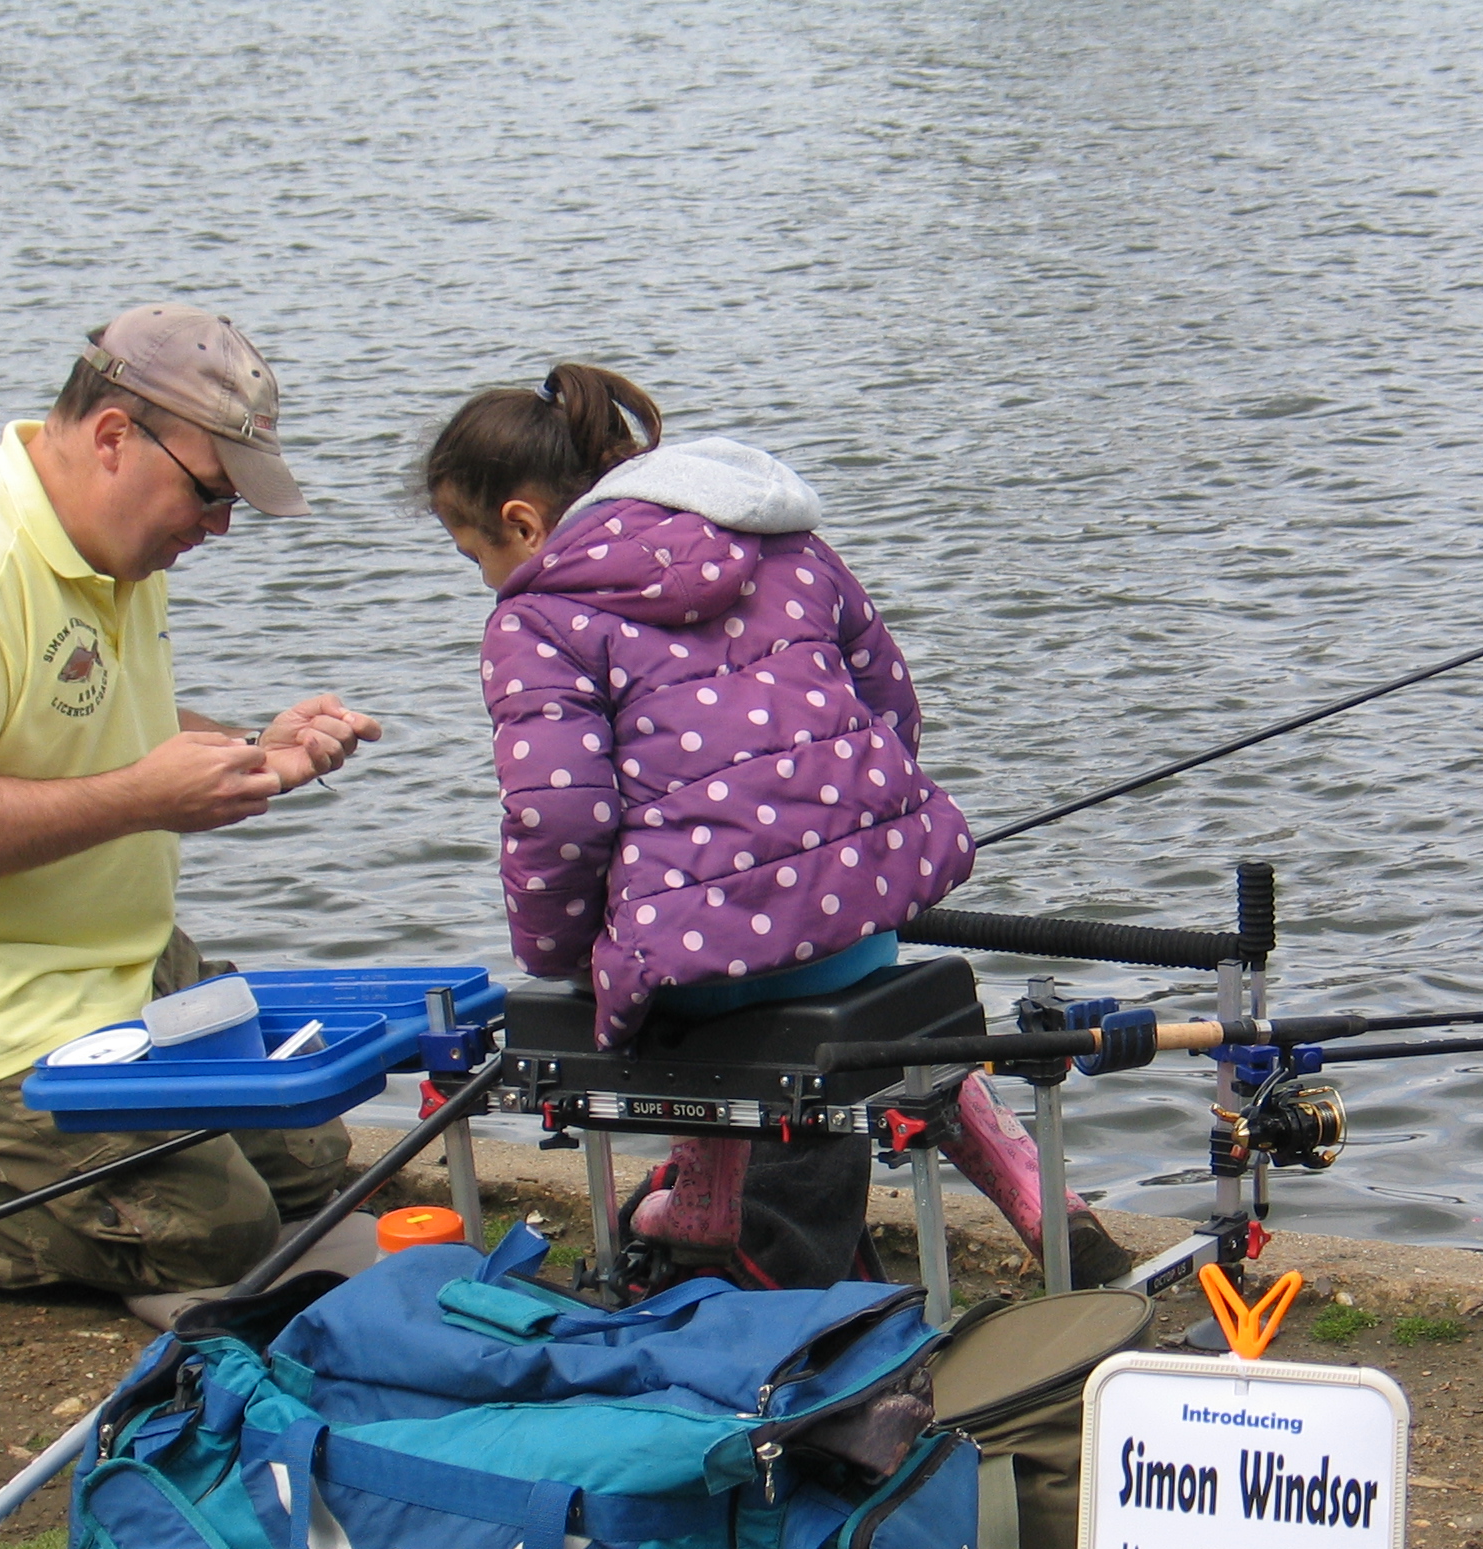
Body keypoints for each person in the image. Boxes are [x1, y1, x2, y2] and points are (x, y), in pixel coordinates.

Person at [420, 363, 1134, 1289]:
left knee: (660, 963)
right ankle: (1037, 1190)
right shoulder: (784, 547)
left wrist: (561, 959)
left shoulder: (540, 615)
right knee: (846, 999)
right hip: (861, 927)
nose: (484, 578)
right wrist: (856, 847)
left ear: (521, 522)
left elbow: (558, 817)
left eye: (472, 553)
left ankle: (710, 1205)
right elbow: (892, 703)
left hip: (714, 970)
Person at [0, 305, 383, 1319]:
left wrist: (250, 749)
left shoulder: (108, 545)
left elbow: (82, 720)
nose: (218, 528)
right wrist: (145, 799)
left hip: (108, 965)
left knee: (311, 1159)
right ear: (112, 439)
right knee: (213, 1232)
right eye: (213, 494)